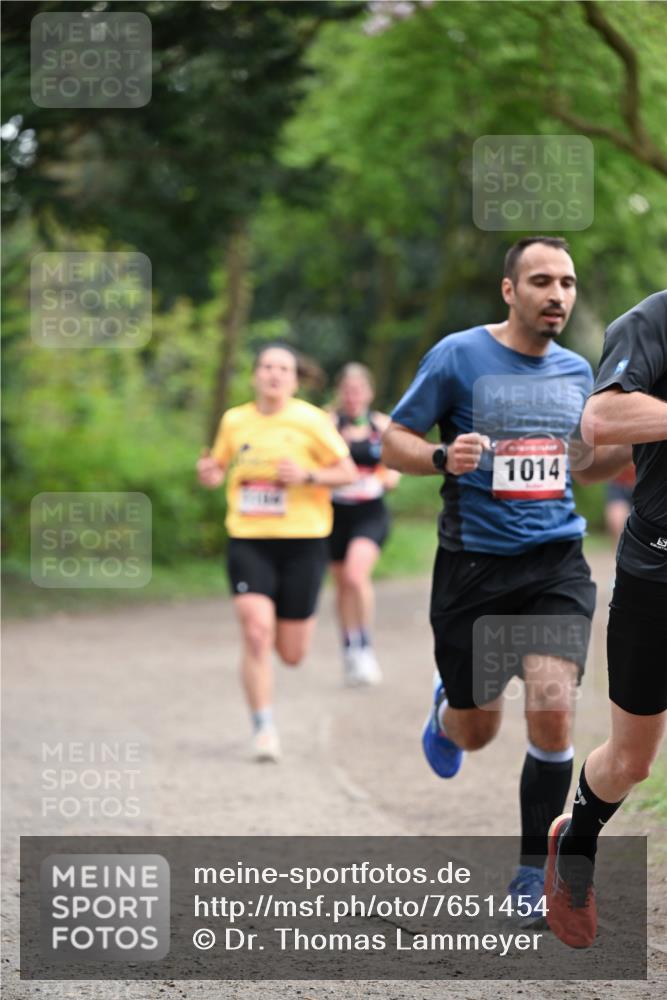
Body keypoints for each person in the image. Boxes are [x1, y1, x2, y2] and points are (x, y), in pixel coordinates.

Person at [382, 236, 632, 924]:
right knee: (475, 731)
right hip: (472, 568)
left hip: (553, 561)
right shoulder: (459, 356)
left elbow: (583, 466)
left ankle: (531, 876)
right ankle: (445, 712)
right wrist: (440, 454)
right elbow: (391, 440)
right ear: (509, 290)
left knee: (553, 704)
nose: (557, 295)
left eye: (567, 283)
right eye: (541, 281)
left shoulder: (579, 372)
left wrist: (632, 441)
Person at [545, 290, 667, 949]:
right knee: (630, 760)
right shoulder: (652, 321)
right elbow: (602, 416)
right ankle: (578, 841)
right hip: (657, 569)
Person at [197, 344, 356, 762]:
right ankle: (263, 727)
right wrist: (211, 473)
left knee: (291, 653)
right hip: (249, 539)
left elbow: (347, 472)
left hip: (304, 542)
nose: (273, 374)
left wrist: (306, 475)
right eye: (266, 366)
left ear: (294, 378)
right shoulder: (235, 420)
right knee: (255, 632)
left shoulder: (312, 420)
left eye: (283, 368)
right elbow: (217, 466)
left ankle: (293, 641)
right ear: (255, 375)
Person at [328, 363, 400, 686]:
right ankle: (349, 649)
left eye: (358, 390)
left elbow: (396, 467)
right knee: (342, 585)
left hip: (370, 513)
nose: (353, 396)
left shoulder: (381, 424)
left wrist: (386, 479)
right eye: (347, 390)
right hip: (333, 514)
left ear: (368, 393)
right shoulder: (327, 424)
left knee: (357, 577)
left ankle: (366, 647)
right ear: (340, 393)